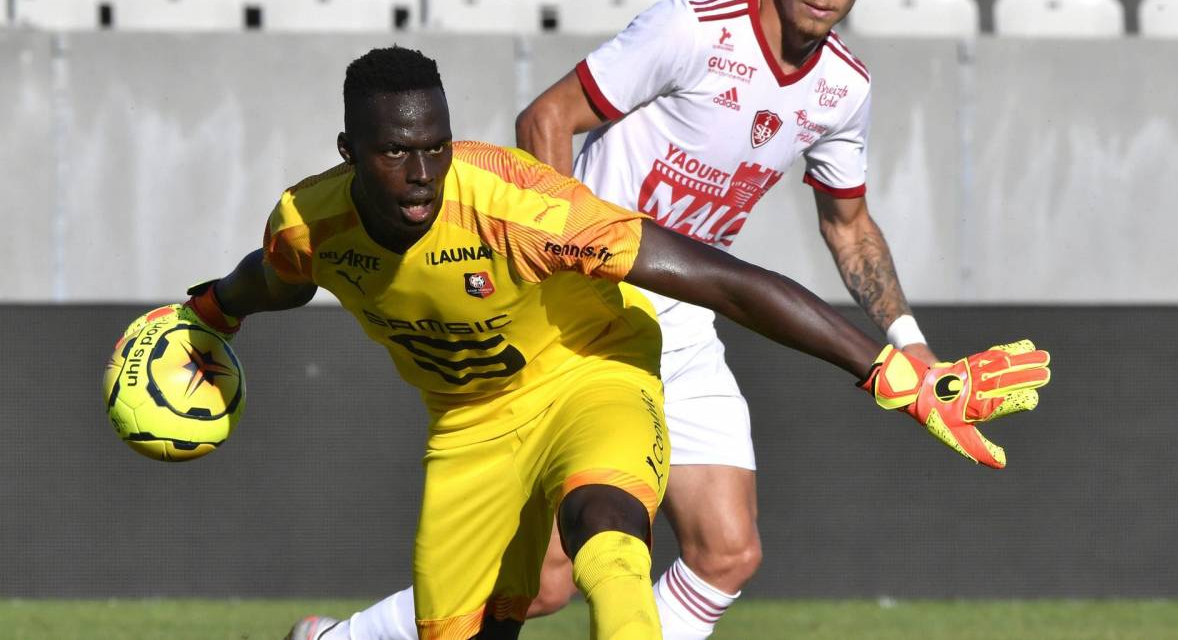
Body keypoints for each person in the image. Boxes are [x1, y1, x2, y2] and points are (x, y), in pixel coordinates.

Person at [190, 44, 1052, 640]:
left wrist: (889, 371)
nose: (421, 176)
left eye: (436, 149)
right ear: (349, 152)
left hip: (591, 370)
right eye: (395, 154)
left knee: (608, 526)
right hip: (469, 431)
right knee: (482, 616)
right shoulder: (311, 221)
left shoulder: (518, 206)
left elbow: (721, 278)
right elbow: (270, 278)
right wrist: (211, 314)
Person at [333, 0, 946, 638]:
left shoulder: (844, 87)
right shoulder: (689, 31)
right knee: (542, 585)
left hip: (686, 316)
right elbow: (547, 117)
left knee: (728, 552)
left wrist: (909, 343)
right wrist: (561, 257)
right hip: (593, 313)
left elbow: (848, 224)